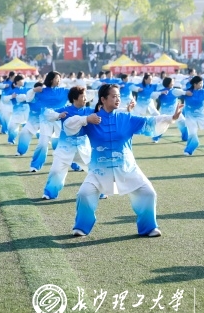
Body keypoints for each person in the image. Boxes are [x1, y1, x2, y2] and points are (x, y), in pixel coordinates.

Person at [64, 84, 183, 237]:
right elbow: (68, 126)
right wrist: (86, 119)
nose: (118, 99)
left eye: (119, 96)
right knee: (84, 194)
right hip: (99, 170)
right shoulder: (92, 119)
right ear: (103, 99)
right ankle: (81, 227)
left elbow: (149, 121)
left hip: (127, 168)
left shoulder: (126, 118)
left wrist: (171, 118)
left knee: (149, 193)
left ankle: (148, 227)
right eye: (114, 96)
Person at [42, 86, 94, 199]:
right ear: (75, 98)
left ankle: (101, 191)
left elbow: (105, 113)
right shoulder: (65, 110)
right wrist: (57, 115)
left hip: (83, 149)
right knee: (56, 171)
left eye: (85, 96)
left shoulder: (89, 111)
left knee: (95, 170)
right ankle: (49, 193)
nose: (85, 99)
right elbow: (46, 113)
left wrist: (125, 110)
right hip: (65, 148)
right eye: (83, 97)